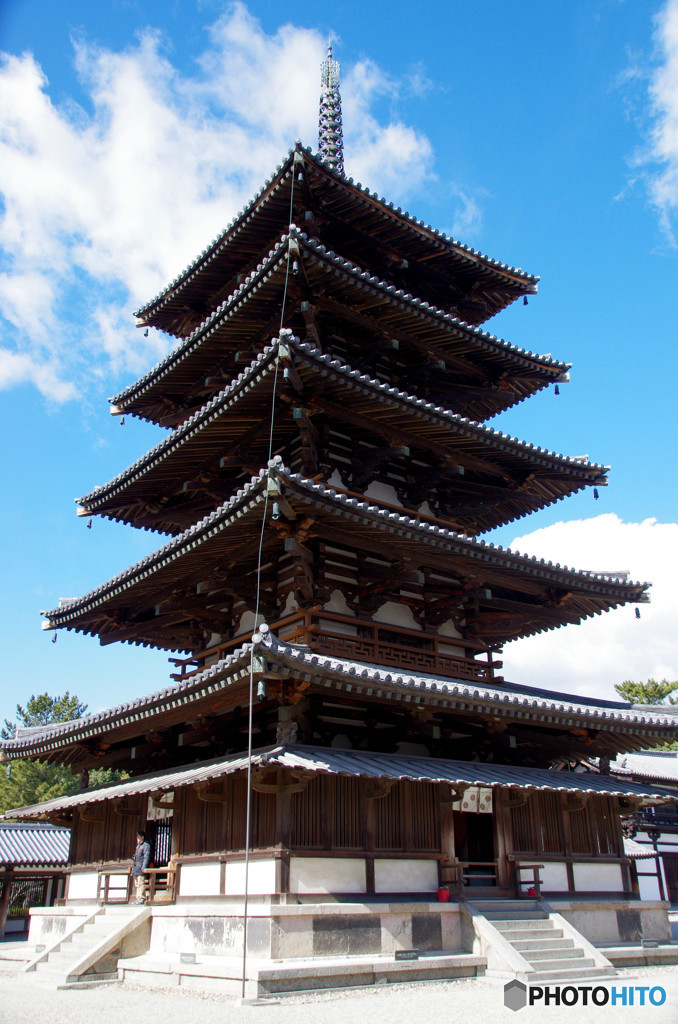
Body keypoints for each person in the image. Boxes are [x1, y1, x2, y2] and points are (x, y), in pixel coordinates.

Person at [131, 830, 152, 905]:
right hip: (136, 866)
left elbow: (146, 857)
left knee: (141, 883)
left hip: (141, 866)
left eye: (138, 836)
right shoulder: (138, 846)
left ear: (142, 837)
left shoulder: (146, 845)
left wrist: (144, 867)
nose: (137, 838)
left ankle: (142, 897)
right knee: (137, 884)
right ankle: (138, 897)